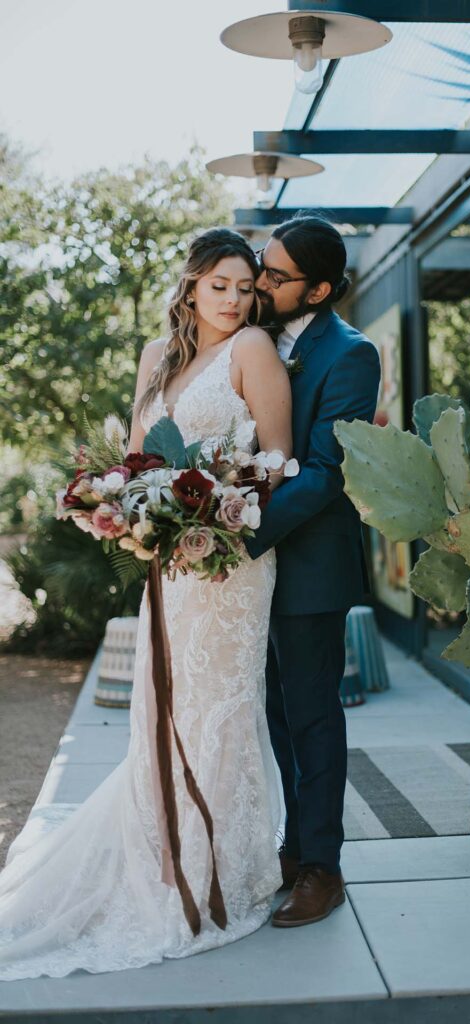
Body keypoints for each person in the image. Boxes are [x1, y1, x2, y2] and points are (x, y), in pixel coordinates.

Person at [0, 228, 292, 979]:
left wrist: (215, 514)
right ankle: (162, 864)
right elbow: (137, 463)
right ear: (192, 284)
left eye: (244, 286)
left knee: (219, 706)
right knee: (163, 710)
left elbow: (276, 463)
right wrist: (129, 508)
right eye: (219, 284)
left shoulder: (253, 351)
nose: (233, 299)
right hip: (167, 559)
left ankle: (215, 876)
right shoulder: (156, 359)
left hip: (232, 560)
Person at [245, 213, 381, 928]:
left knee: (313, 715)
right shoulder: (252, 338)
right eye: (261, 268)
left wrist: (240, 532)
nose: (260, 283)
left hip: (308, 565)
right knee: (274, 712)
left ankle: (323, 870)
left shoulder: (351, 355)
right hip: (249, 570)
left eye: (275, 275)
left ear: (320, 288)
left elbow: (327, 470)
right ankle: (293, 849)